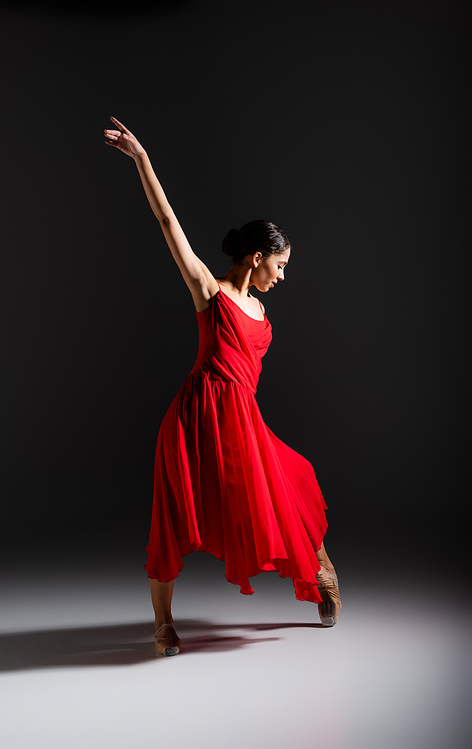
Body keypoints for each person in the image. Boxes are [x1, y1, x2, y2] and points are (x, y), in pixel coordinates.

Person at [104, 116, 341, 656]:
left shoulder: (260, 311)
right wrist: (142, 159)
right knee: (170, 521)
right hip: (192, 424)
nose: (281, 277)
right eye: (277, 266)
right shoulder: (210, 293)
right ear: (255, 259)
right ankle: (163, 624)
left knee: (294, 482)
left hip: (240, 425)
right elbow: (168, 223)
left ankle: (322, 571)